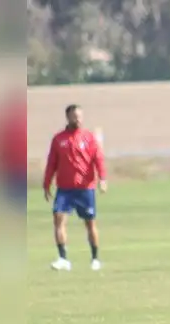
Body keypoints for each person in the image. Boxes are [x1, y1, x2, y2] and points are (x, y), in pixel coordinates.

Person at [43, 104, 107, 271]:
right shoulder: (58, 139)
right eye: (74, 116)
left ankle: (95, 258)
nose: (78, 119)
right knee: (58, 219)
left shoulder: (89, 137)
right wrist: (46, 183)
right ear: (68, 117)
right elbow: (52, 163)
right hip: (64, 189)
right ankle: (63, 258)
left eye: (80, 116)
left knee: (90, 223)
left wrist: (103, 178)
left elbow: (98, 159)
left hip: (85, 188)